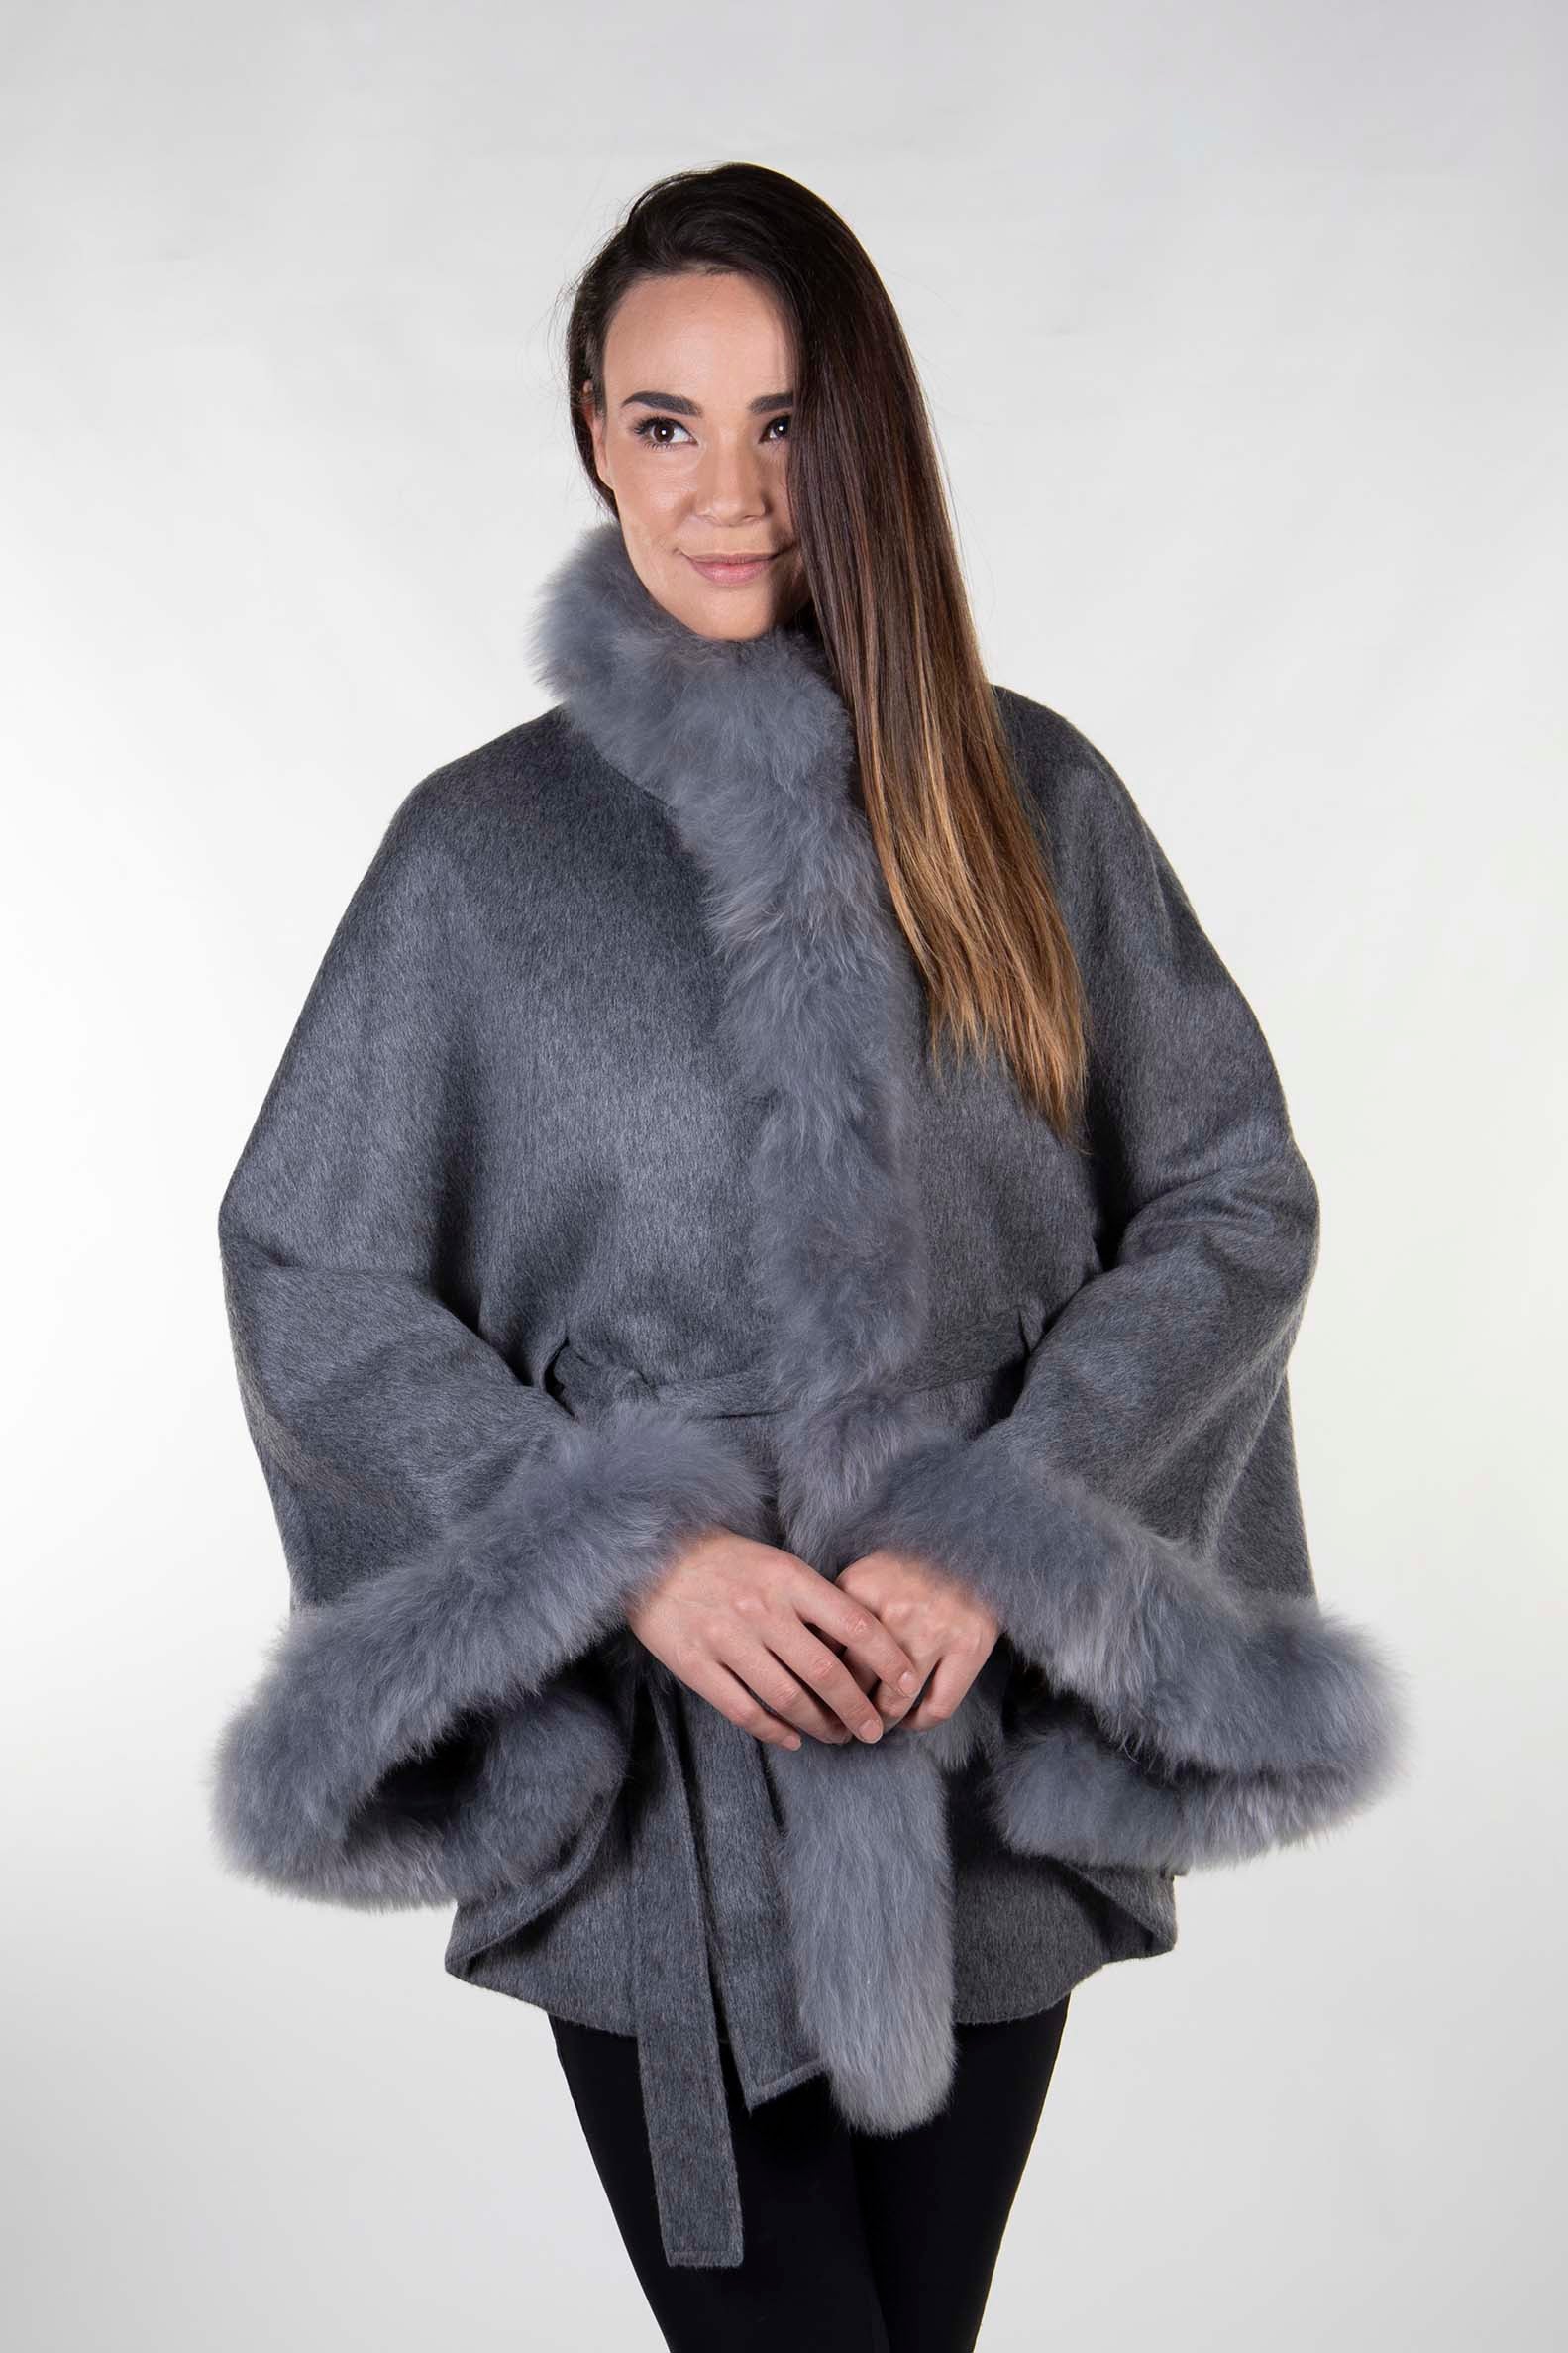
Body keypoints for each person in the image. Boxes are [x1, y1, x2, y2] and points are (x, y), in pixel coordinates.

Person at [207, 162, 1407, 2351]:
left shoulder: (1032, 804)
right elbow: (314, 1268)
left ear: (865, 433)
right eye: (667, 422)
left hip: (981, 1782)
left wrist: (1003, 1530)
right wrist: (630, 1550)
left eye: (785, 422)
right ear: (593, 437)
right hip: (663, 1793)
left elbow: (1232, 1199)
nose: (730, 491)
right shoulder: (479, 859)